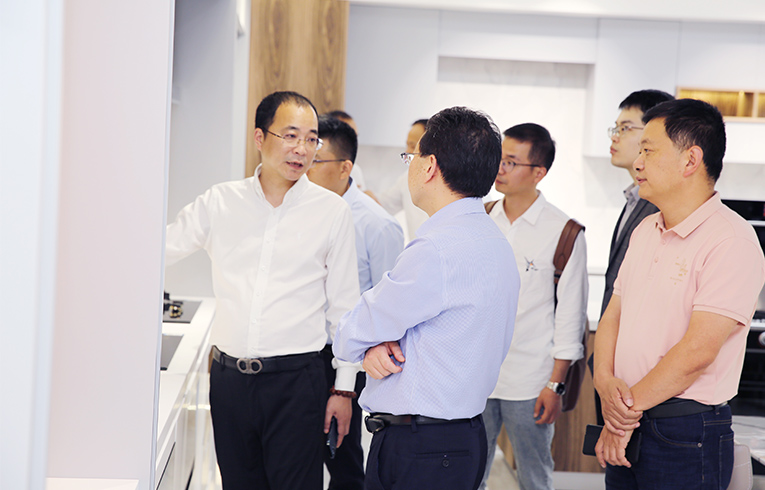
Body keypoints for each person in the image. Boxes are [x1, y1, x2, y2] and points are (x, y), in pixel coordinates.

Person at [165, 91, 360, 490]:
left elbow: (345, 309)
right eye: (290, 135)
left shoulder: (331, 212)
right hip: (229, 381)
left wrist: (343, 388)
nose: (301, 149)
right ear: (259, 137)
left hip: (297, 383)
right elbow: (160, 249)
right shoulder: (221, 202)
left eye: (311, 139)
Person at [334, 107, 520, 490]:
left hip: (421, 449)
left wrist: (369, 344)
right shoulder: (495, 240)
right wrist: (376, 344)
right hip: (464, 439)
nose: (411, 166)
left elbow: (351, 332)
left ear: (430, 166)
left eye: (413, 156)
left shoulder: (435, 249)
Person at [593, 98, 765, 489]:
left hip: (685, 431)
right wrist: (604, 382)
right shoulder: (646, 229)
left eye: (648, 151)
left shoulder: (731, 239)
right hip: (628, 417)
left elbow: (697, 351)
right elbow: (613, 315)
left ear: (691, 160)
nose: (638, 163)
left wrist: (623, 413)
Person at [479, 123, 588, 490]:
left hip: (531, 380)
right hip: (477, 377)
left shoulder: (564, 232)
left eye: (510, 162)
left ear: (538, 172)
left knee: (534, 477)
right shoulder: (480, 218)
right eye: (498, 159)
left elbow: (570, 317)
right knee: (467, 474)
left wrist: (555, 385)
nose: (499, 169)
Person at [307, 115, 404, 490]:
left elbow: (388, 308)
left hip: (344, 359)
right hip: (302, 354)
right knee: (302, 456)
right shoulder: (304, 211)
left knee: (343, 460)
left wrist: (347, 384)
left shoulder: (376, 225)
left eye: (317, 161)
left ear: (345, 167)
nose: (306, 168)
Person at [593, 89, 674, 425]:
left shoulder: (661, 207)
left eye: (626, 128)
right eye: (615, 128)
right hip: (614, 372)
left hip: (639, 382)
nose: (615, 137)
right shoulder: (636, 199)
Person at [368, 119, 430, 241]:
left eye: (413, 146)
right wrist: (364, 196)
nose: (407, 151)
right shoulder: (406, 178)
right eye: (407, 145)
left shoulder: (448, 180)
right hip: (418, 249)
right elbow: (383, 204)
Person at [325, 109, 367, 191]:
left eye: (355, 137)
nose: (354, 143)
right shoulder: (313, 167)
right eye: (348, 138)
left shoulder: (355, 170)